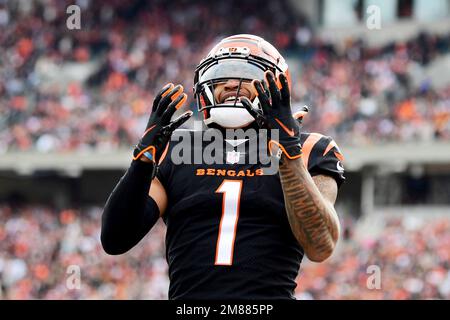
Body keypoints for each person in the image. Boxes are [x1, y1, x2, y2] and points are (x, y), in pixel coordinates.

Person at [101, 34, 345, 299]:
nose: (230, 83)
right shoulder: (179, 149)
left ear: (276, 83)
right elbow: (116, 239)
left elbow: (320, 244)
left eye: (243, 73)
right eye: (220, 75)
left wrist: (288, 153)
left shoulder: (310, 149)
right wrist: (141, 161)